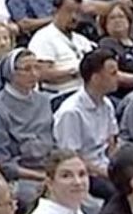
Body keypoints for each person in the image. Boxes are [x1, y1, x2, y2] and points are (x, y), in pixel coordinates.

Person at [0, 50, 51, 207]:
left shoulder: (44, 101)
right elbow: (3, 163)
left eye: (37, 67)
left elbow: (54, 143)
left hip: (48, 169)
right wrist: (40, 176)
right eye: (27, 69)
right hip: (20, 177)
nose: (34, 74)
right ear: (11, 72)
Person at [50, 49, 120, 197]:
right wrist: (107, 173)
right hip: (86, 171)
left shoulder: (107, 104)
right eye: (113, 74)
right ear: (95, 78)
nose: (118, 77)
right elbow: (71, 157)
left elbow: (112, 143)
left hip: (105, 164)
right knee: (117, 193)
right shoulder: (71, 112)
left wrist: (117, 167)